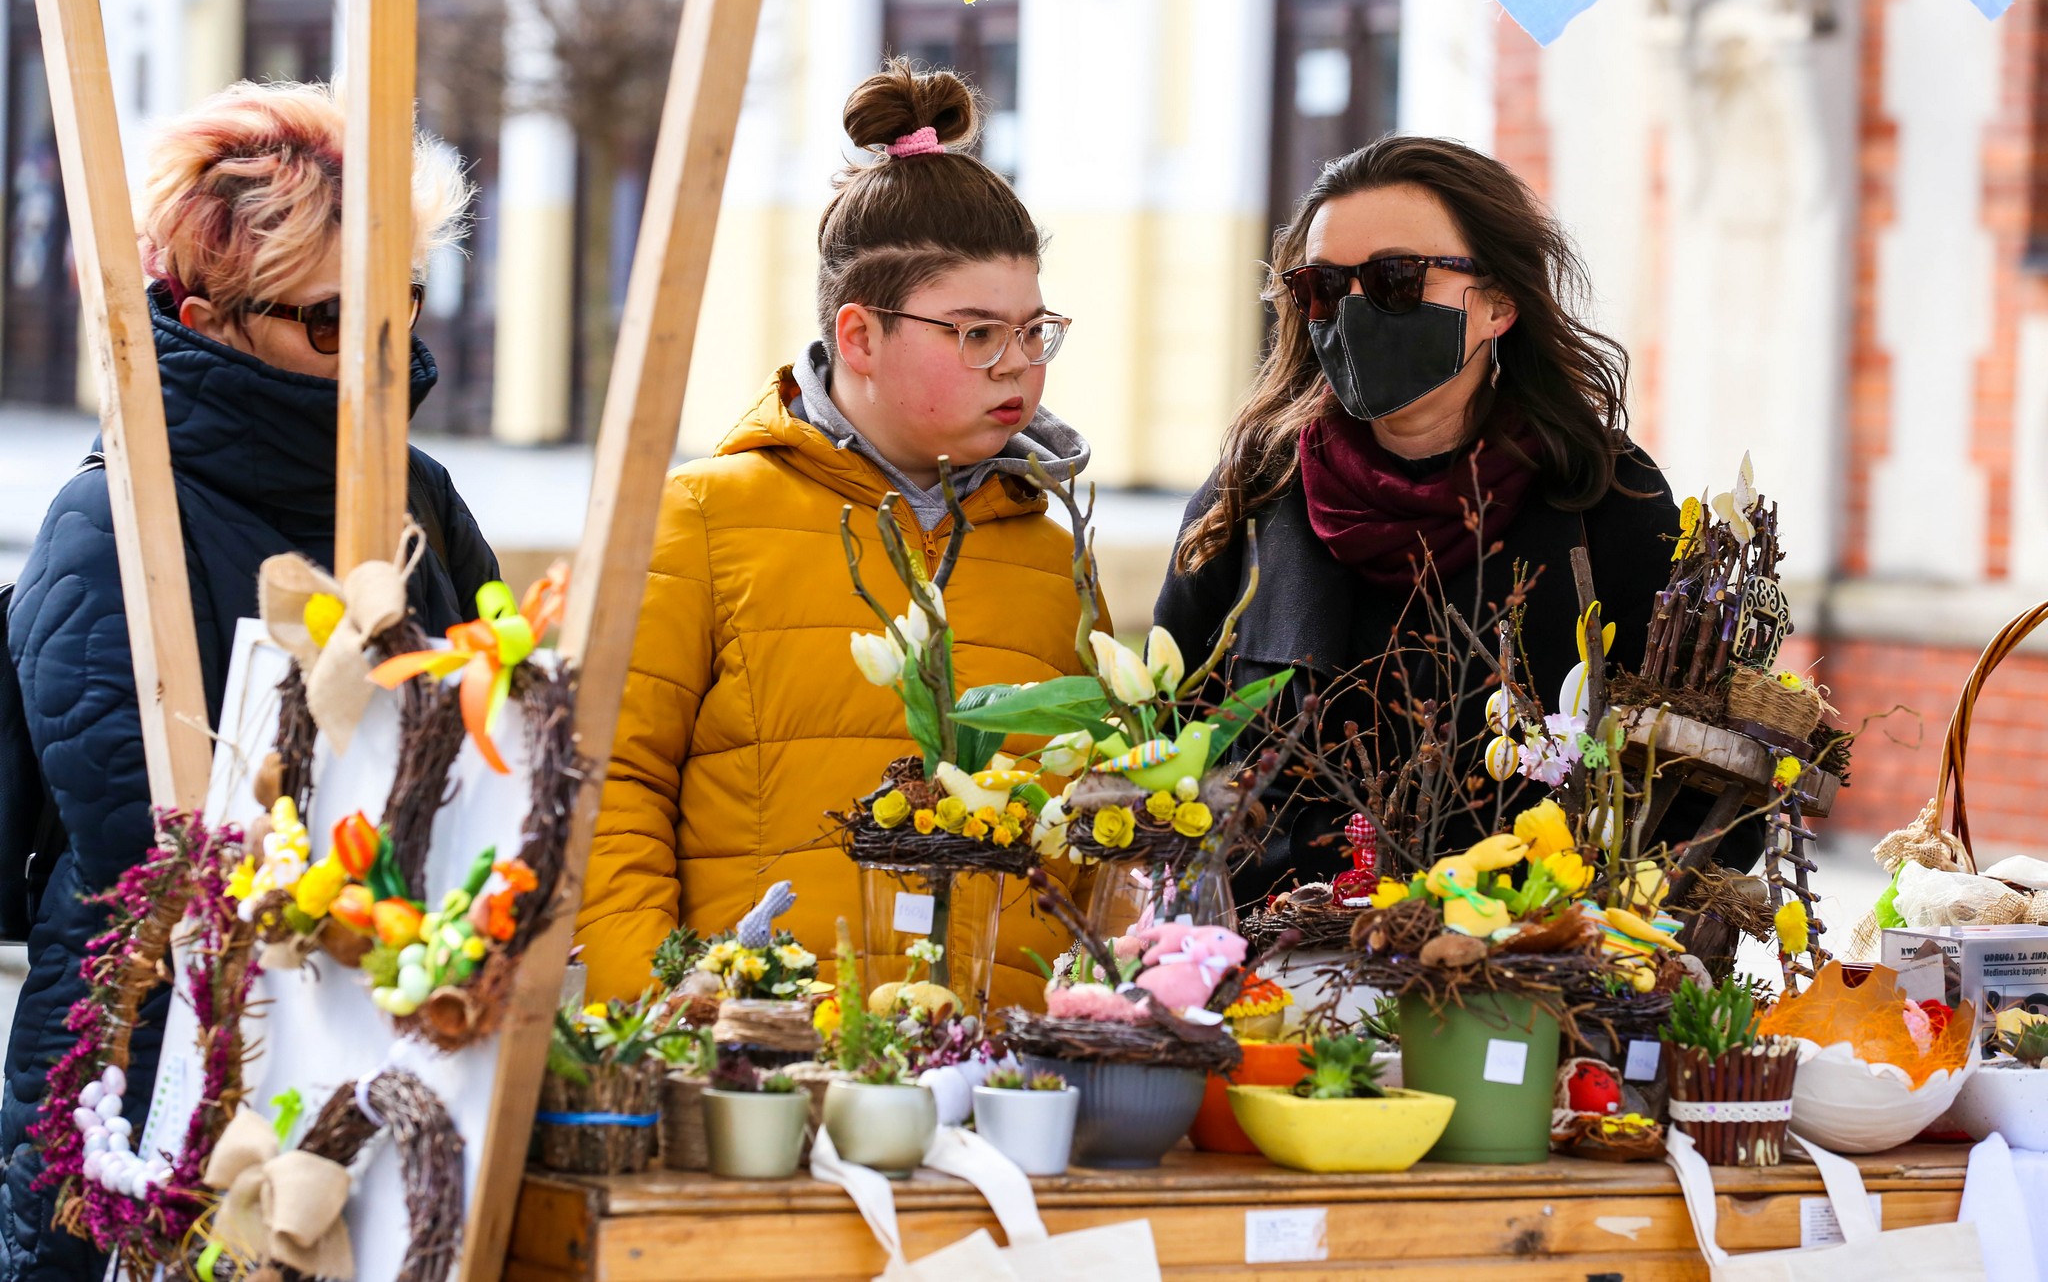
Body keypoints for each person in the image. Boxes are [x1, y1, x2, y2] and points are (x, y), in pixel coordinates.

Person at [0, 81, 497, 1281]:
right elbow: (152, 852)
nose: (380, 349)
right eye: (332, 321)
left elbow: (496, 738)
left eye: (401, 304)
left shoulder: (416, 492)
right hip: (156, 1069)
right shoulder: (110, 520)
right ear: (202, 312)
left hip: (383, 1041)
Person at [577, 62, 1090, 1009]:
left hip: (994, 1077)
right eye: (977, 334)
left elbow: (1089, 832)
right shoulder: (701, 519)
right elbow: (604, 792)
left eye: (1034, 331)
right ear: (859, 335)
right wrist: (664, 1010)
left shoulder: (1054, 553)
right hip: (756, 1067)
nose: (1018, 365)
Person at [1156, 136, 1690, 901]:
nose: (1353, 311)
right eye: (1323, 287)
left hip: (1521, 975)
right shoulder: (1252, 496)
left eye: (1395, 279)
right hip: (1271, 979)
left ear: (1500, 303)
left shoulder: (1604, 498)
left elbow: (1681, 777)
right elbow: (1164, 744)